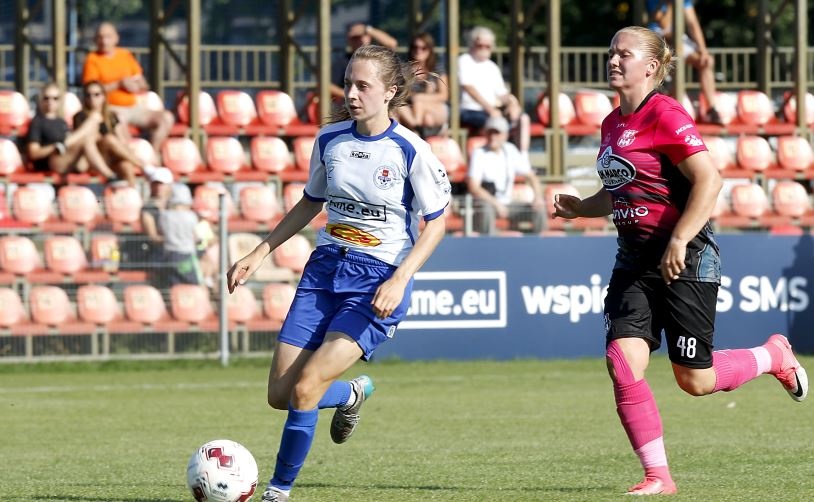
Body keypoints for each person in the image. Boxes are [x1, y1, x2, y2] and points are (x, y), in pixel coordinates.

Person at [552, 26, 808, 495]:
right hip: (633, 262)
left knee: (695, 380)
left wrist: (680, 239)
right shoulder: (611, 123)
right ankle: (658, 476)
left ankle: (773, 355)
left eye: (623, 54)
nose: (613, 60)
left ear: (651, 67)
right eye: (611, 52)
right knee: (621, 361)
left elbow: (710, 181)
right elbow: (619, 189)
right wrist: (581, 208)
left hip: (685, 257)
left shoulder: (666, 114)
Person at [227, 44, 451, 502]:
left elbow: (437, 224)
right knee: (281, 394)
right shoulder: (330, 140)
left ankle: (278, 490)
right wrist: (260, 251)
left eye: (362, 86)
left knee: (307, 387)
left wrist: (400, 279)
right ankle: (350, 394)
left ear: (389, 92)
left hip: (376, 282)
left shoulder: (411, 150)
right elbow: (311, 202)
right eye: (348, 83)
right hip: (324, 271)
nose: (350, 94)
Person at [82, 22, 174, 152]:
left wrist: (137, 85)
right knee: (118, 120)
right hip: (111, 107)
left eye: (108, 37)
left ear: (116, 38)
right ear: (95, 40)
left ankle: (152, 154)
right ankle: (132, 155)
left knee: (167, 118)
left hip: (134, 106)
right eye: (101, 37)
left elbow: (143, 82)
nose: (104, 41)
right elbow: (91, 90)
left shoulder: (125, 55)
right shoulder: (92, 59)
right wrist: (119, 84)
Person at [647, 0, 722, 124]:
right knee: (676, 63)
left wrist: (703, 51)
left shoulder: (685, 2)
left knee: (706, 62)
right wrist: (672, 3)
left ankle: (711, 109)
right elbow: (664, 24)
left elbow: (693, 24)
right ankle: (673, 110)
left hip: (678, 41)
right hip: (658, 39)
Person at [466, 115, 544, 234]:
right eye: (490, 133)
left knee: (539, 209)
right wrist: (496, 204)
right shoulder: (479, 153)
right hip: (488, 203)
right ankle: (488, 242)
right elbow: (474, 187)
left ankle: (540, 241)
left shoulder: (510, 150)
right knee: (486, 209)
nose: (493, 137)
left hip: (508, 204)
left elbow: (531, 176)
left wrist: (538, 197)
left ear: (505, 135)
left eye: (497, 133)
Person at [458, 26, 530, 154]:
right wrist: (490, 109)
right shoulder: (464, 61)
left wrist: (512, 103)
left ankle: (522, 157)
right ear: (472, 44)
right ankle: (498, 155)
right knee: (497, 123)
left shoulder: (492, 67)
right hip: (470, 110)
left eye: (488, 46)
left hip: (491, 111)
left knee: (522, 118)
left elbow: (502, 93)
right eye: (480, 45)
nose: (484, 49)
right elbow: (469, 89)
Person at [25, 82, 119, 180]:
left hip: (70, 158)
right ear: (41, 100)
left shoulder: (61, 122)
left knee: (94, 135)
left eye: (55, 98)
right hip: (51, 162)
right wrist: (55, 147)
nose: (50, 101)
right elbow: (33, 153)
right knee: (89, 129)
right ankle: (110, 176)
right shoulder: (37, 122)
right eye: (46, 98)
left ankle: (112, 174)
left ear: (60, 101)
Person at [73, 80, 141, 186]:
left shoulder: (111, 116)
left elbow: (121, 139)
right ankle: (144, 166)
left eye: (96, 94)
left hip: (110, 157)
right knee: (109, 139)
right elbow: (87, 140)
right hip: (92, 159)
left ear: (103, 96)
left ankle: (133, 194)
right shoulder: (80, 117)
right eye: (88, 95)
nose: (92, 98)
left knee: (126, 166)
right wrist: (94, 122)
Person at [396, 32, 449, 137]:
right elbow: (400, 93)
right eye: (415, 47)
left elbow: (444, 95)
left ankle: (416, 130)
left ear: (430, 49)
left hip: (433, 107)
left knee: (422, 108)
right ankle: (417, 128)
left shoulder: (437, 67)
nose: (418, 50)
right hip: (411, 108)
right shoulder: (404, 68)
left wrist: (420, 97)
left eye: (423, 48)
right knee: (397, 106)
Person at [330, 22, 397, 100]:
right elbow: (327, 85)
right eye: (355, 38)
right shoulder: (342, 62)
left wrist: (367, 29)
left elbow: (392, 44)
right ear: (348, 40)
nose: (359, 40)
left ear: (369, 37)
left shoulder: (378, 57)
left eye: (362, 36)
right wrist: (351, 95)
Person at [159, 183, 203, 287]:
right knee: (194, 285)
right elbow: (196, 237)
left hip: (169, 255)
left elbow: (161, 232)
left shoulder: (165, 216)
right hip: (186, 255)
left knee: (175, 287)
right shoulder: (191, 217)